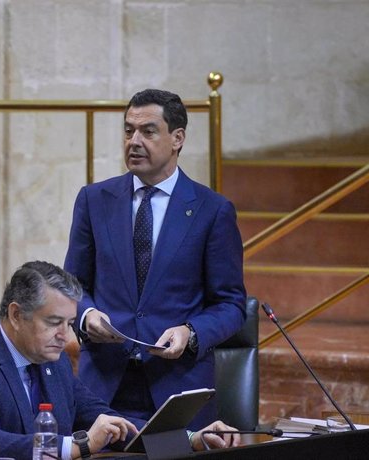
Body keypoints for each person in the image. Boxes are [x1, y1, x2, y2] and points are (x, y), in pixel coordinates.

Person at [0, 261, 240, 460]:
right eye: (53, 322)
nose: (65, 336)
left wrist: (191, 438)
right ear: (16, 315)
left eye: (69, 324)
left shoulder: (52, 361)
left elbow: (105, 419)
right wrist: (78, 446)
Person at [63, 89, 247, 430]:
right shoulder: (94, 200)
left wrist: (190, 333)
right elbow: (71, 285)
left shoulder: (212, 211)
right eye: (128, 130)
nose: (134, 141)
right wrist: (86, 315)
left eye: (148, 131)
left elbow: (231, 304)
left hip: (176, 389)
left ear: (177, 139)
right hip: (103, 387)